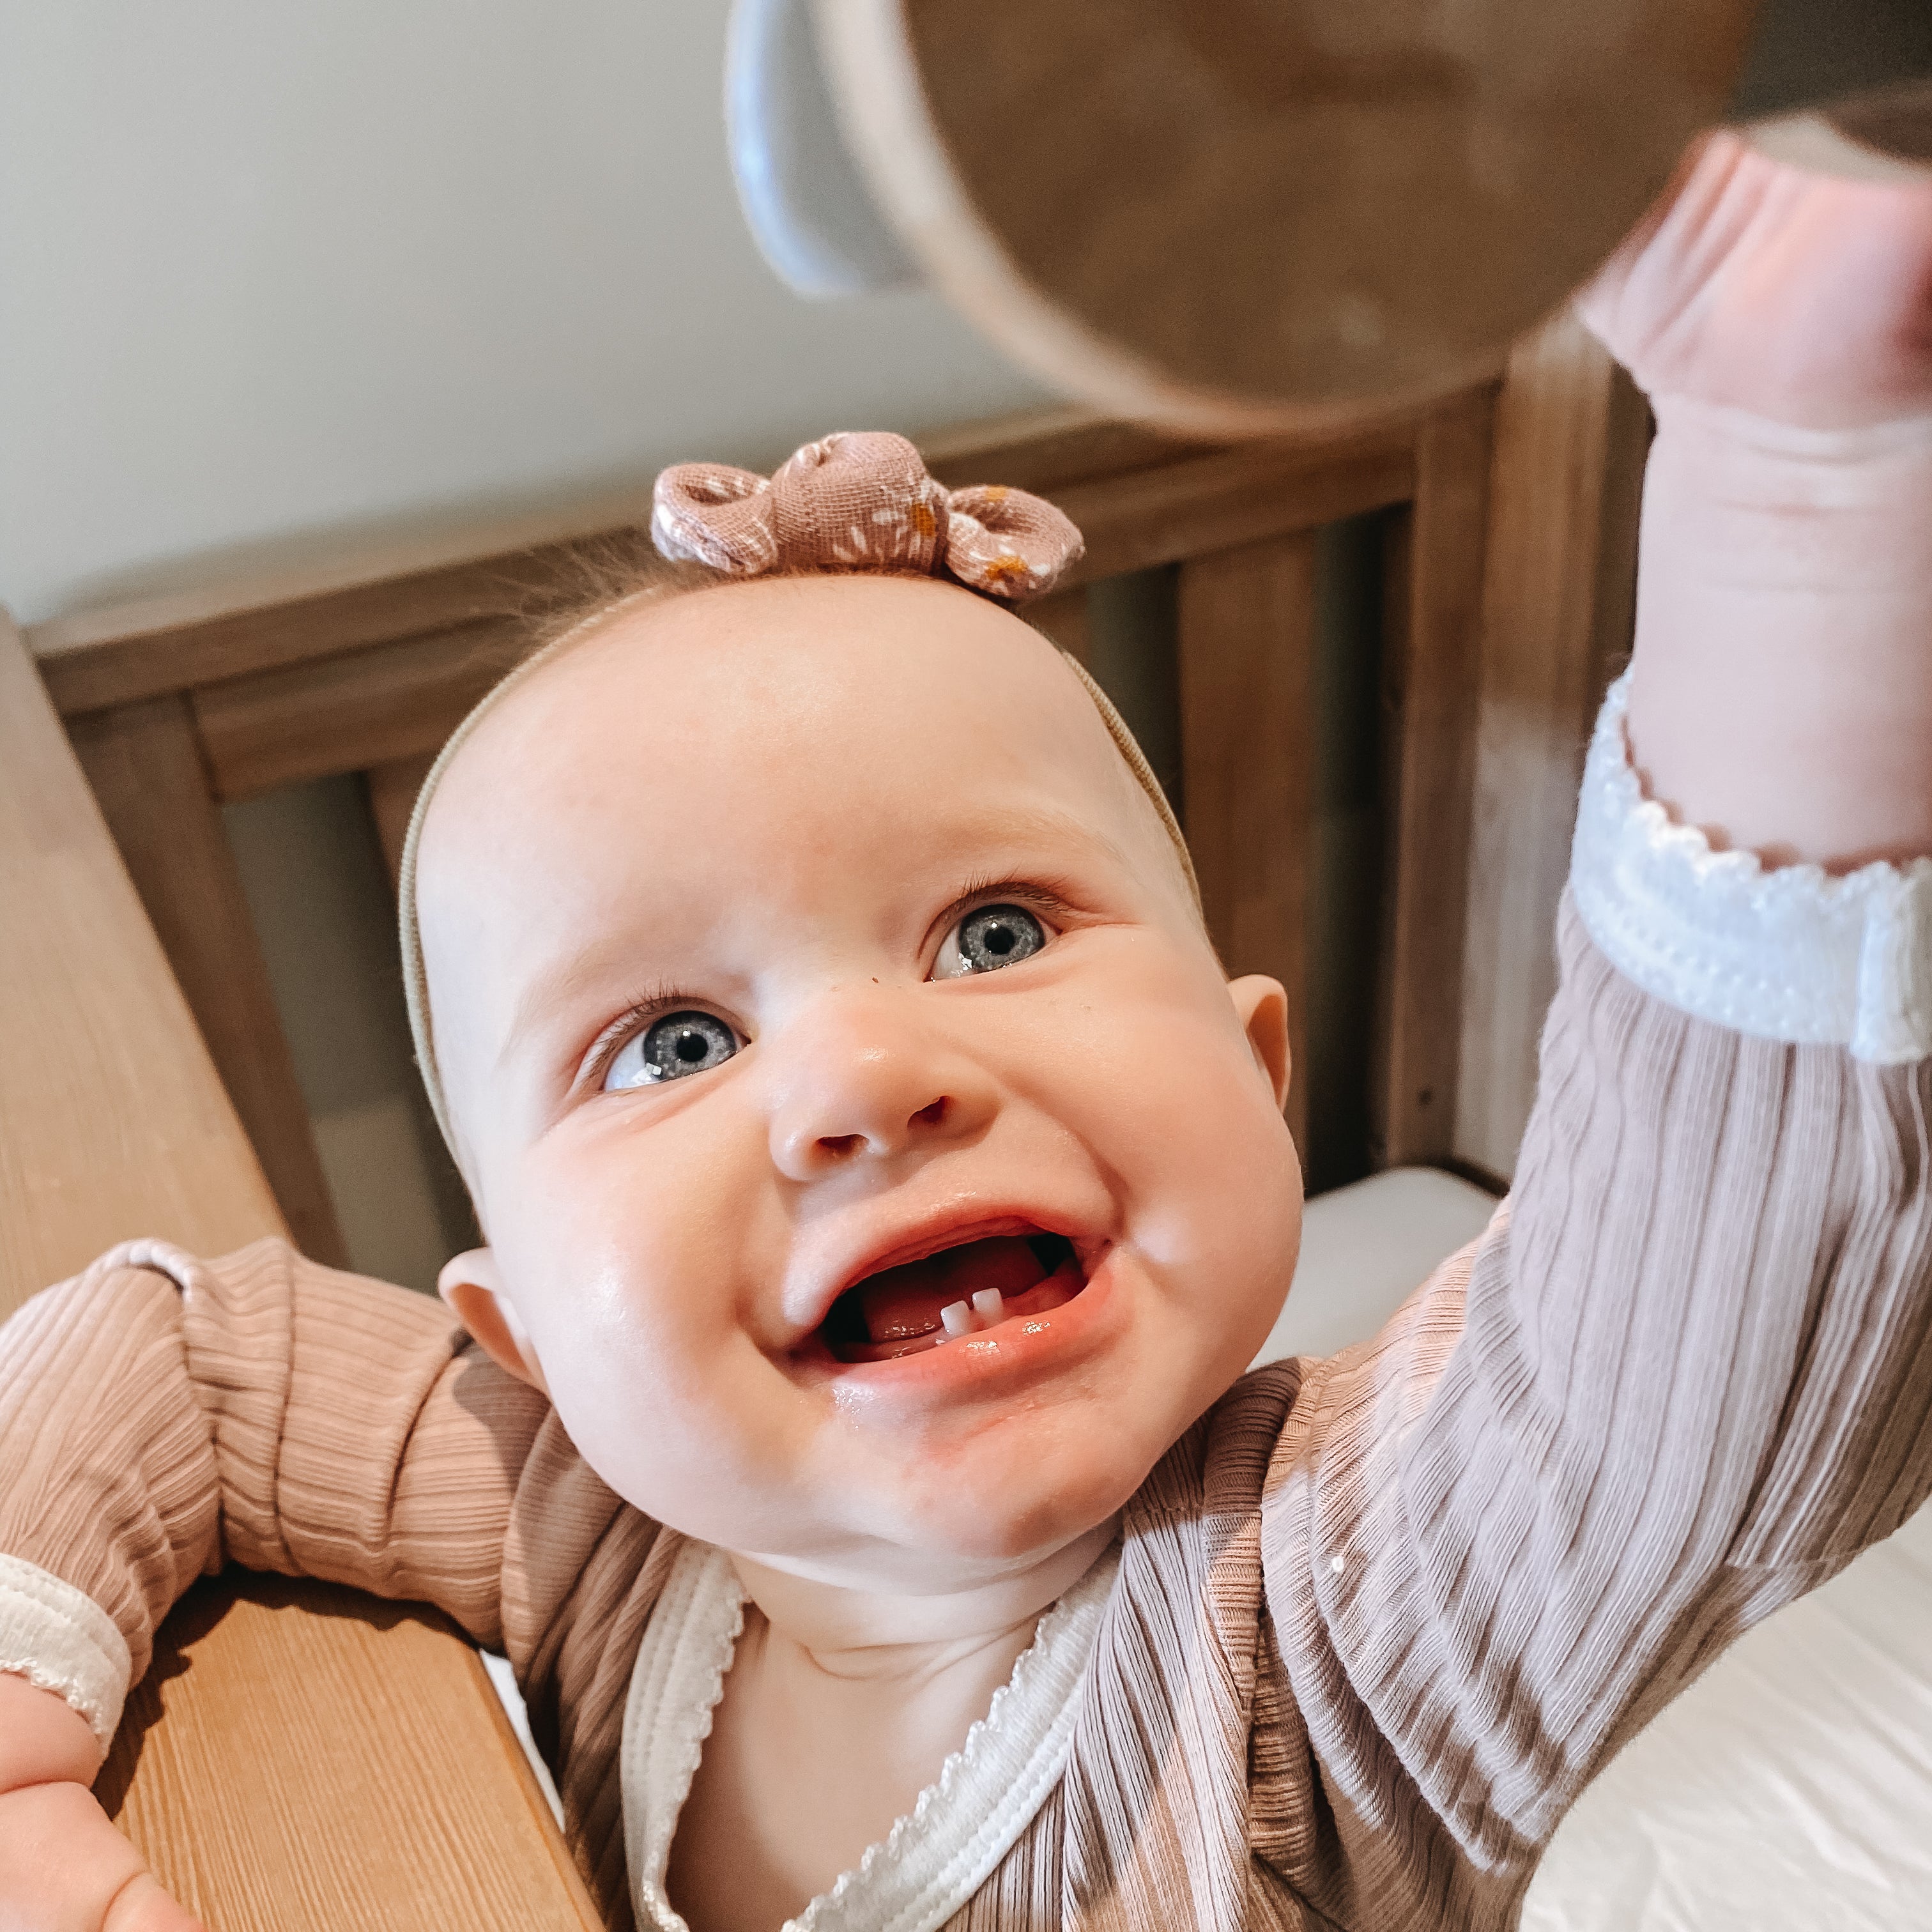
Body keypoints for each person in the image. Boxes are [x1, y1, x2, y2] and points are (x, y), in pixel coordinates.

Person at [2, 130, 1929, 1932]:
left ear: (1259, 1080)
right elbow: (178, 1351)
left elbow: (1710, 1309)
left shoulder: (1325, 1636)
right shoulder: (591, 1521)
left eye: (993, 930)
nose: (862, 1080)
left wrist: (1806, 484)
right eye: (672, 1044)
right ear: (523, 1344)